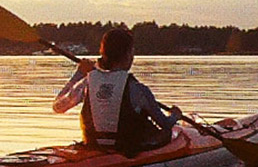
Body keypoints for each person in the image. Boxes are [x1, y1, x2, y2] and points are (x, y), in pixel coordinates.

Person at [51, 25, 177, 153]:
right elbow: (165, 124)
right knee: (165, 133)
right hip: (127, 151)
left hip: (93, 147)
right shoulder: (138, 89)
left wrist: (79, 74)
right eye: (132, 52)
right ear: (128, 55)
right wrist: (175, 115)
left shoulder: (86, 82)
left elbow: (57, 107)